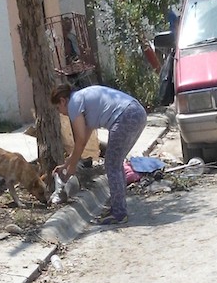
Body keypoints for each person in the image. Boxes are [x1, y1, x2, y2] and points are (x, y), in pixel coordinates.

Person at [50, 82, 147, 225]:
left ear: (63, 101)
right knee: (115, 163)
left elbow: (80, 140)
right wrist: (67, 163)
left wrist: (70, 170)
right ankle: (117, 208)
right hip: (136, 113)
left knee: (112, 165)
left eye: (58, 108)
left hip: (126, 116)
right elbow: (81, 142)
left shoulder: (74, 103)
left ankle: (119, 213)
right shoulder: (82, 101)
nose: (61, 113)